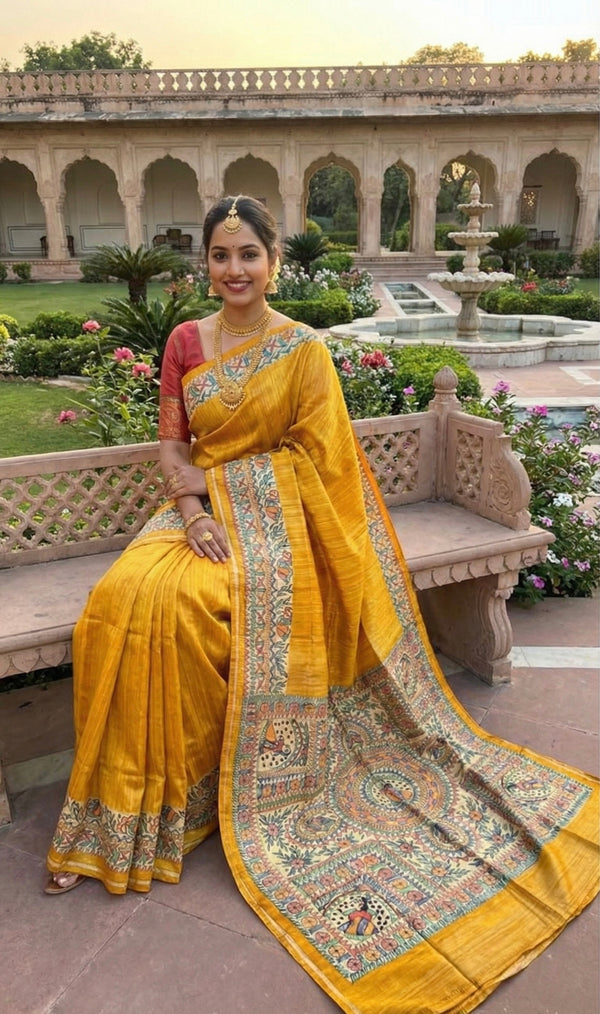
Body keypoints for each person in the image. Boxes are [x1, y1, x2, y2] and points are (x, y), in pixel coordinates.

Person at [46, 196, 599, 1014]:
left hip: (285, 524)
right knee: (122, 601)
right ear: (206, 263)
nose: (235, 270)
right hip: (197, 518)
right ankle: (130, 807)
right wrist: (195, 510)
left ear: (274, 261)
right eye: (221, 256)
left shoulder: (302, 350)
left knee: (193, 609)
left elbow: (320, 459)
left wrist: (228, 487)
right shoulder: (185, 342)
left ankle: (189, 795)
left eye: (249, 255)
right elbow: (174, 443)